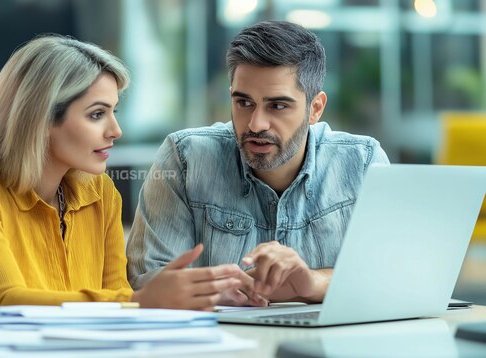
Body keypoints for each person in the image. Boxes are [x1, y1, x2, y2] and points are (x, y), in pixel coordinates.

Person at [0, 35, 248, 333]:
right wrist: (139, 302)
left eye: (114, 111)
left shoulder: (100, 192)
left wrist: (166, 299)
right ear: (41, 118)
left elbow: (115, 294)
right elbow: (6, 303)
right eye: (96, 114)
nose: (115, 130)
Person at [126, 21, 390, 305]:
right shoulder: (186, 158)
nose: (255, 123)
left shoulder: (362, 162)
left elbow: (396, 273)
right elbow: (148, 282)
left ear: (315, 109)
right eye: (244, 102)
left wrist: (312, 282)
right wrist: (234, 291)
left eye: (277, 106)